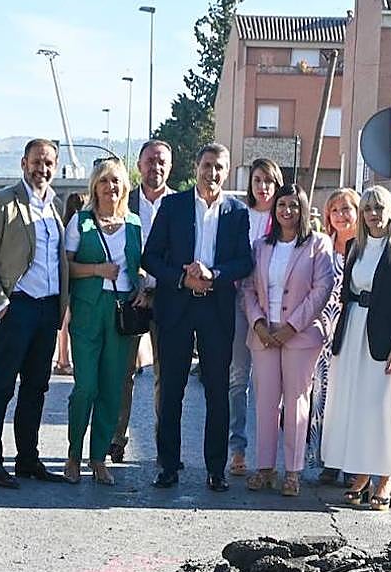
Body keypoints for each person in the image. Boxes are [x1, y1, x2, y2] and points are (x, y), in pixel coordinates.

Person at [143, 142, 253, 492]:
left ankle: (215, 469)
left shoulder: (237, 212)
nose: (213, 173)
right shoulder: (173, 206)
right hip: (176, 307)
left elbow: (244, 262)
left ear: (228, 169)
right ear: (196, 166)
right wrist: (182, 277)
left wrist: (215, 274)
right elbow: (151, 257)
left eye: (219, 167)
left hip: (215, 310)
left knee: (217, 392)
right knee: (171, 390)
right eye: (207, 165)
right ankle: (168, 466)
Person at [0, 138, 69, 489]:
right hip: (16, 309)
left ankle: (28, 459)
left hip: (46, 311)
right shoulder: (2, 202)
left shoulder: (54, 207)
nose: (42, 169)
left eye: (48, 163)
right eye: (36, 161)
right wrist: (0, 305)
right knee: (0, 388)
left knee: (36, 388)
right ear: (24, 163)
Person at [321, 184, 391, 511]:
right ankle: (361, 474)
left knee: (382, 409)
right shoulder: (355, 249)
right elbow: (346, 294)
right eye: (368, 209)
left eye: (379, 208)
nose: (373, 214)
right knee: (356, 407)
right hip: (352, 335)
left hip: (383, 338)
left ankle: (386, 478)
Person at [241, 184, 334, 497]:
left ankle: (293, 471)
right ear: (275, 209)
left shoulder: (318, 244)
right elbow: (249, 290)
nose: (287, 211)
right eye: (282, 205)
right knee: (265, 402)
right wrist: (259, 323)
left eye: (294, 205)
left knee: (296, 402)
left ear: (303, 209)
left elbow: (322, 289)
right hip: (264, 335)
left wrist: (292, 327)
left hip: (302, 335)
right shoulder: (259, 246)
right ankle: (265, 468)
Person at [63, 159, 144, 485]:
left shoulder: (135, 224)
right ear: (94, 186)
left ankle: (98, 459)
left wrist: (140, 284)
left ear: (124, 187)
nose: (111, 187)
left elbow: (137, 265)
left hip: (121, 311)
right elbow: (66, 267)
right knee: (86, 387)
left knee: (112, 388)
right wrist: (96, 270)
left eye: (116, 182)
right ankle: (73, 455)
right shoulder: (80, 222)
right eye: (105, 181)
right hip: (87, 312)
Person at [109, 139, 174, 465]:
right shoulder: (123, 200)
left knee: (168, 376)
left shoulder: (180, 204)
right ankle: (115, 440)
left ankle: (164, 446)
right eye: (149, 161)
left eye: (161, 161)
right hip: (130, 299)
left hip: (168, 300)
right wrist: (137, 287)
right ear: (139, 166)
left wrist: (157, 288)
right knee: (123, 374)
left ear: (170, 166)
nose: (155, 167)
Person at [228, 158, 283, 477]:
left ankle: (271, 453)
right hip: (239, 303)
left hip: (274, 308)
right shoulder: (239, 216)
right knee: (238, 379)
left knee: (272, 384)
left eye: (269, 181)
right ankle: (238, 449)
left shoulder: (285, 219)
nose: (263, 187)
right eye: (258, 180)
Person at [310, 188, 360, 484]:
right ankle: (328, 460)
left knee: (350, 399)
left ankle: (353, 462)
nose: (341, 215)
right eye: (335, 210)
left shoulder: (365, 249)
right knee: (323, 399)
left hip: (352, 331)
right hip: (321, 336)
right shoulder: (322, 247)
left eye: (346, 209)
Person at [53, 192, 86, 377]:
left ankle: (61, 360)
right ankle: (64, 361)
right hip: (75, 284)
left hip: (63, 283)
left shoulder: (63, 225)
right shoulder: (81, 224)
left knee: (64, 324)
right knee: (68, 323)